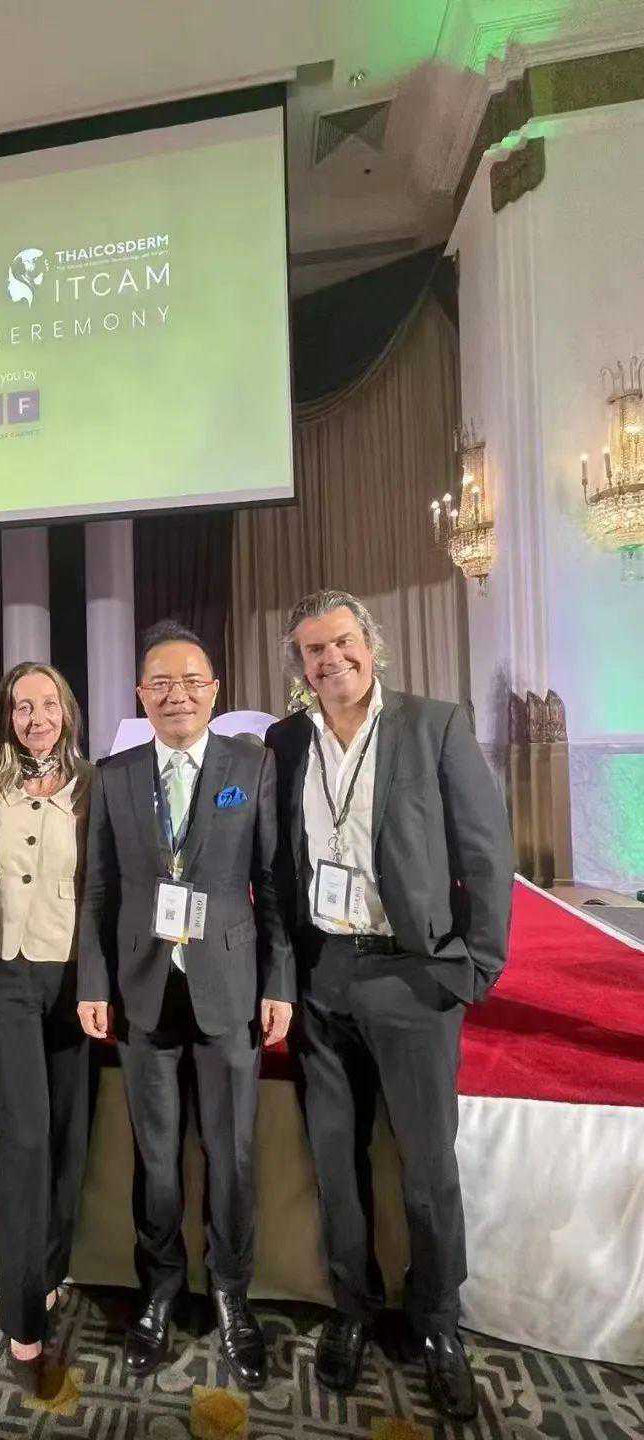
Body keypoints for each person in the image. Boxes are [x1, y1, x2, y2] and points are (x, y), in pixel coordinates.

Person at [263, 589, 513, 1423]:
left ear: (371, 645)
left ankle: (437, 1321)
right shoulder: (286, 741)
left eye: (342, 642)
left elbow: (485, 850)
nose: (330, 659)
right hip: (323, 976)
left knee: (427, 1166)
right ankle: (354, 1307)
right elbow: (278, 870)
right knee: (336, 1159)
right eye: (314, 650)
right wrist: (284, 975)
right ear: (300, 666)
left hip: (413, 977)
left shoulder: (432, 725)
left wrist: (474, 968)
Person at [77, 619, 294, 1391]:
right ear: (141, 694)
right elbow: (98, 890)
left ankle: (232, 1295)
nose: (178, 695)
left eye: (192, 682)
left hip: (228, 989)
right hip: (142, 993)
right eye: (162, 684)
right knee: (157, 1158)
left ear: (215, 691)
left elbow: (272, 883)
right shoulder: (115, 774)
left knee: (233, 1157)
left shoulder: (251, 765)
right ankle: (160, 1289)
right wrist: (93, 981)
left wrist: (279, 980)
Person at [0, 661, 93, 1394]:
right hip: (3, 974)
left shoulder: (94, 785)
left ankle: (49, 1270)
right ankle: (21, 1320)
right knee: (26, 1139)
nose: (36, 718)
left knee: (69, 1135)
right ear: (5, 716)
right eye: (21, 706)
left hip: (72, 979)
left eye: (48, 704)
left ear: (67, 711)